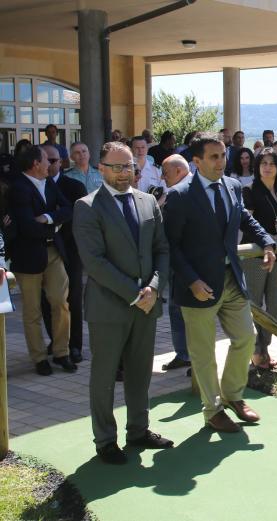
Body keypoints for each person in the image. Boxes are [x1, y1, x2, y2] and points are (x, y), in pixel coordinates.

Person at [163, 133, 276, 433]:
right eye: (213, 157)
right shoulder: (179, 195)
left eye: (223, 155)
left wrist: (266, 242)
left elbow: (245, 220)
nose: (220, 161)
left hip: (230, 279)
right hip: (198, 286)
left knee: (246, 337)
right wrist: (192, 281)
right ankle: (212, 410)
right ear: (196, 161)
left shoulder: (233, 186)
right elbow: (170, 246)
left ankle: (233, 396)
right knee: (203, 353)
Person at [73, 141, 173, 464]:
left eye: (127, 166)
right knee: (104, 376)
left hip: (148, 304)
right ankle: (105, 440)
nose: (122, 173)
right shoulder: (87, 206)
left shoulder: (148, 202)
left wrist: (154, 287)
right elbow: (95, 263)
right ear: (101, 168)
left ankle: (138, 430)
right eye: (115, 167)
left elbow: (162, 250)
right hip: (110, 308)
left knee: (140, 373)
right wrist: (136, 293)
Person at [9, 145, 75, 375]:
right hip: (27, 257)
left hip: (53, 253)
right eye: (47, 160)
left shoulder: (49, 183)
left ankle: (61, 353)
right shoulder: (18, 188)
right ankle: (39, 358)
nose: (51, 163)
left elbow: (69, 209)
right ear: (36, 164)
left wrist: (48, 218)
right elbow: (27, 227)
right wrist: (55, 227)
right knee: (32, 310)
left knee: (60, 302)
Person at [242, 148, 277, 369]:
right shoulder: (250, 190)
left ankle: (264, 345)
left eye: (272, 163)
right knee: (254, 304)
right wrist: (272, 237)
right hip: (256, 255)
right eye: (263, 162)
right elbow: (247, 223)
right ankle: (257, 350)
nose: (267, 166)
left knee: (275, 304)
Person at [42, 144, 87, 363]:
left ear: (61, 162)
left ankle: (75, 345)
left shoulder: (75, 187)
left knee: (73, 296)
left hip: (71, 249)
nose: (49, 165)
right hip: (43, 251)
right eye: (45, 160)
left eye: (53, 161)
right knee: (46, 299)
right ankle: (56, 340)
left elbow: (79, 218)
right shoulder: (34, 186)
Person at [158, 154, 193, 371]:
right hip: (178, 261)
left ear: (180, 171)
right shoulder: (177, 191)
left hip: (188, 262)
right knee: (177, 309)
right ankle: (184, 354)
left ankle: (193, 359)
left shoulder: (182, 192)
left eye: (166, 173)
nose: (162, 178)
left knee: (189, 312)